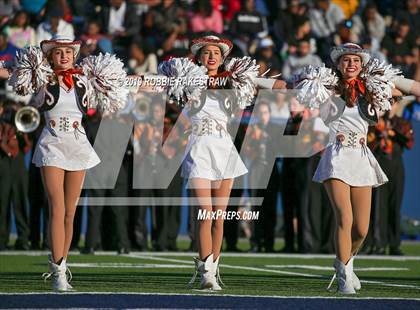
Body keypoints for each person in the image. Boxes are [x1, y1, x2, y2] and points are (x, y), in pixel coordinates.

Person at [0, 34, 127, 290]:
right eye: (58, 52)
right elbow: (9, 72)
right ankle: (57, 271)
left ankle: (62, 263)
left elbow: (128, 81)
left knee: (70, 212)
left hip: (78, 143)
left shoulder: (85, 79)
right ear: (50, 57)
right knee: (56, 208)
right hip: (52, 143)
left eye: (68, 52)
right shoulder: (41, 77)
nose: (64, 56)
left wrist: (167, 81)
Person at [307, 42, 420, 293]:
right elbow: (290, 87)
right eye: (346, 60)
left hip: (360, 156)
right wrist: (253, 82)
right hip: (335, 155)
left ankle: (344, 262)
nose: (351, 64)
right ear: (337, 64)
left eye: (356, 60)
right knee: (344, 218)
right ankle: (345, 276)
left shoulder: (373, 88)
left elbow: (409, 87)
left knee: (361, 228)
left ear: (362, 65)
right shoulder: (327, 87)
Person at [181, 35, 285, 290]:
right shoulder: (186, 80)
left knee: (218, 217)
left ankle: (213, 269)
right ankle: (206, 272)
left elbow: (280, 85)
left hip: (224, 149)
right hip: (199, 148)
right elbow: (154, 83)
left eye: (216, 53)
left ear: (223, 57)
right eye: (206, 53)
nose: (212, 57)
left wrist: (264, 82)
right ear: (198, 57)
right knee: (205, 215)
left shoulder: (233, 82)